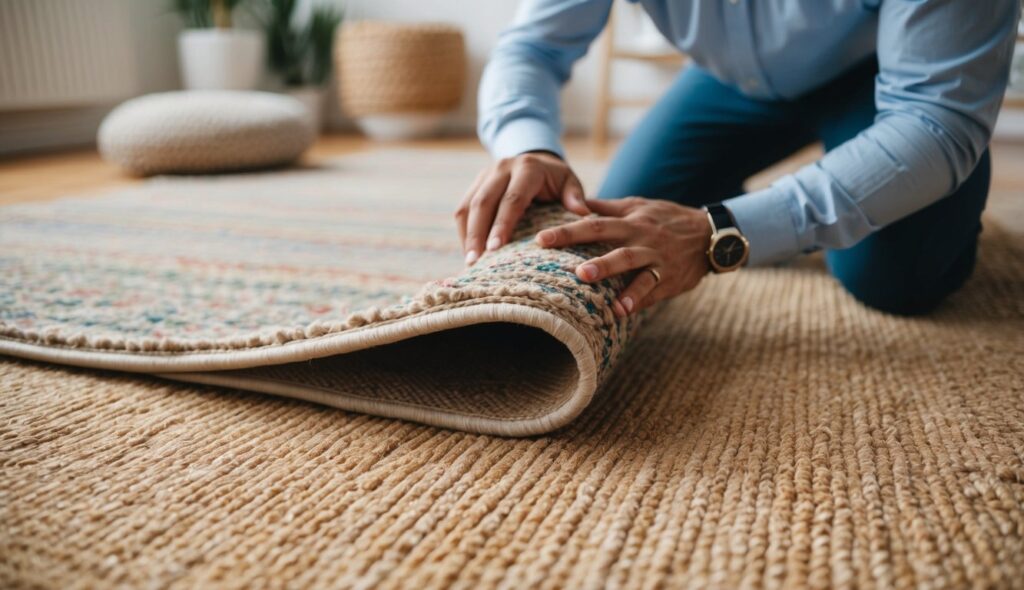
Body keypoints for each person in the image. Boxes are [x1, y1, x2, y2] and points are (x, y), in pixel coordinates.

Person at [456, 0, 1020, 318]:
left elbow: (935, 121)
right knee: (622, 226)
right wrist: (526, 144)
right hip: (733, 82)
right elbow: (532, 46)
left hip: (888, 83)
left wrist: (721, 230)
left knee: (894, 279)